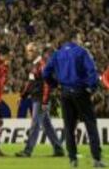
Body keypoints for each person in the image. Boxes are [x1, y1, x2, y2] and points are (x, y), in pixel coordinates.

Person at [43, 33, 106, 168]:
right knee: (90, 124)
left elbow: (45, 73)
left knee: (69, 127)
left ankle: (72, 159)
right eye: (79, 38)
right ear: (74, 39)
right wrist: (91, 87)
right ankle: (96, 158)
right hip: (80, 92)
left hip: (65, 93)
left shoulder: (57, 54)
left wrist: (55, 84)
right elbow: (92, 71)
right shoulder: (82, 52)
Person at [15, 42, 64, 157]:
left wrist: (45, 101)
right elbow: (30, 83)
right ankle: (58, 149)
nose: (28, 53)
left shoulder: (42, 64)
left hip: (41, 99)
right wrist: (22, 96)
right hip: (38, 98)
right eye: (27, 50)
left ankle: (28, 150)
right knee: (46, 125)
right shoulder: (35, 65)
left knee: (35, 123)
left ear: (37, 51)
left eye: (30, 50)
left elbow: (47, 84)